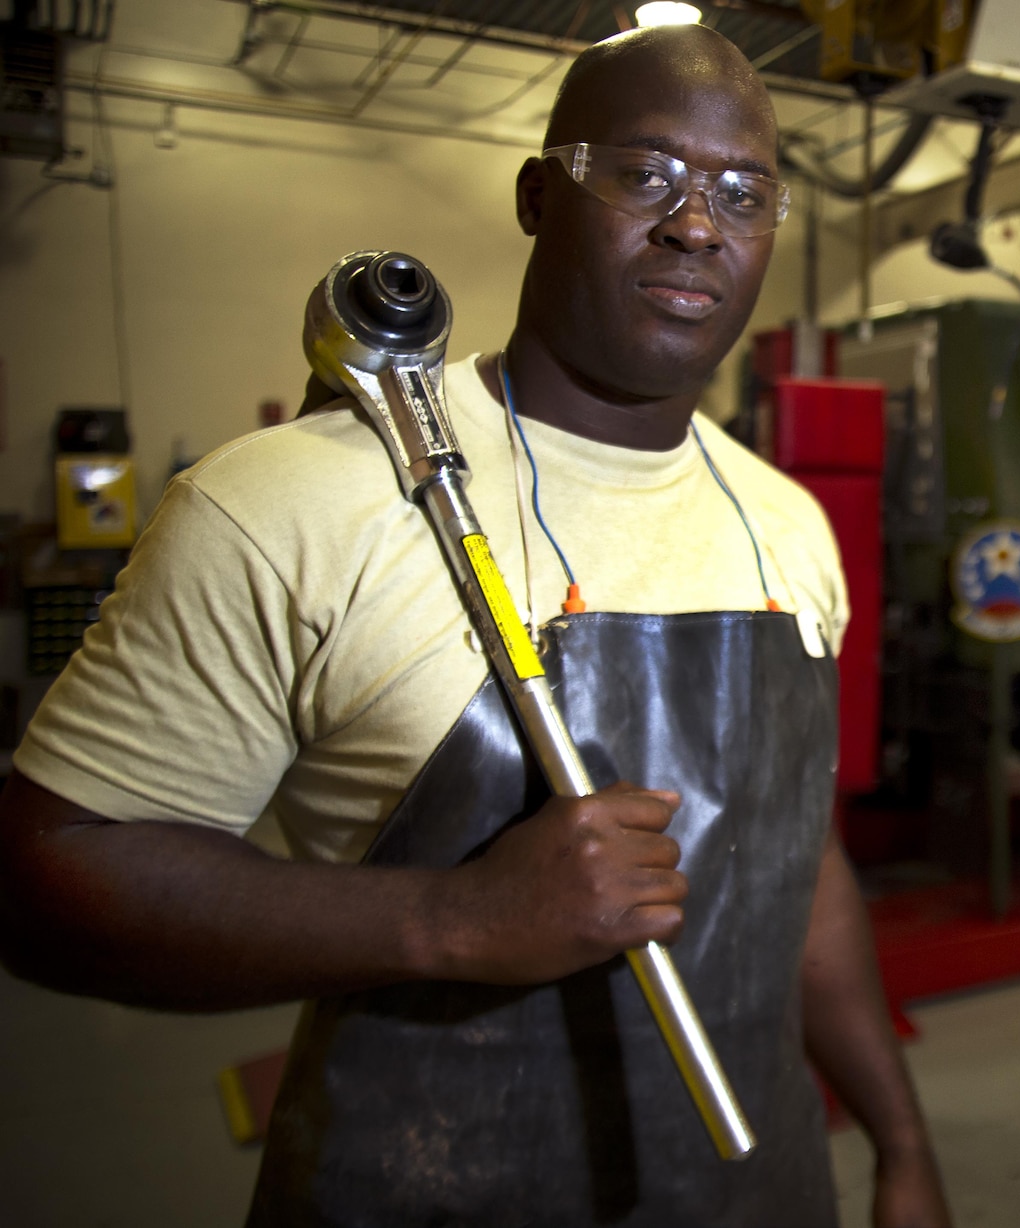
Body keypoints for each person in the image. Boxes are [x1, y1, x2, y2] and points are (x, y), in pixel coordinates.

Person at [0, 24, 950, 1228]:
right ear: (537, 193)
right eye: (643, 173)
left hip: (755, 1194)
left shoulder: (788, 527)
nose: (695, 224)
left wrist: (902, 1142)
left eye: (740, 191)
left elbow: (796, 874)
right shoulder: (294, 500)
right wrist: (449, 920)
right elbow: (48, 877)